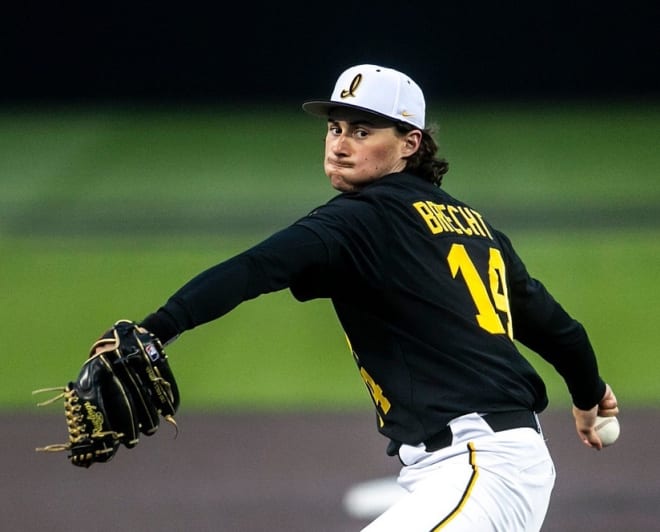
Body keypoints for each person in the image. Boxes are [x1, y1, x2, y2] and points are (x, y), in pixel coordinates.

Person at [111, 64, 618, 531]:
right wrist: (588, 394)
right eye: (335, 128)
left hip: (479, 466)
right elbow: (559, 330)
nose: (339, 144)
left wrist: (157, 328)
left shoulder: (360, 219)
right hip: (479, 466)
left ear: (409, 143)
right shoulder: (475, 227)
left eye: (362, 131)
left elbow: (255, 267)